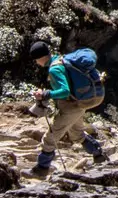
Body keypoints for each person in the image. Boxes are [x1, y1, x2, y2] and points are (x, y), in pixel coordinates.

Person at [29, 39, 105, 178]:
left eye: (35, 59)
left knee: (49, 139)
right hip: (79, 104)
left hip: (71, 108)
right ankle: (99, 156)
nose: (36, 62)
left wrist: (46, 94)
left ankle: (41, 169)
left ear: (41, 58)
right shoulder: (61, 60)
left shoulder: (54, 69)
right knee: (77, 134)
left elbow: (64, 91)